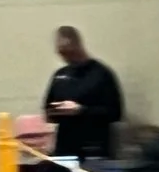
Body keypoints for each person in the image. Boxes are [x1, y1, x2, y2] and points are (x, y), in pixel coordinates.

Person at [43, 26, 124, 161]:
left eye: (69, 52)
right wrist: (56, 111)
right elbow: (47, 109)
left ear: (78, 46)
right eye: (61, 53)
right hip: (65, 147)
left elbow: (116, 112)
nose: (66, 57)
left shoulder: (101, 74)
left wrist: (81, 110)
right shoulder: (60, 75)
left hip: (94, 147)